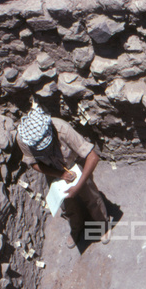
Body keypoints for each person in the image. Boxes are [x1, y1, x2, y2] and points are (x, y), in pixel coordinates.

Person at [16, 101, 110, 248]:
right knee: (66, 205)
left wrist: (77, 187)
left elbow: (93, 157)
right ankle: (76, 227)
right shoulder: (24, 140)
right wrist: (60, 174)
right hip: (53, 170)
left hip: (75, 165)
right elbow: (33, 163)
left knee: (91, 197)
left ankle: (102, 224)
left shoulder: (62, 129)